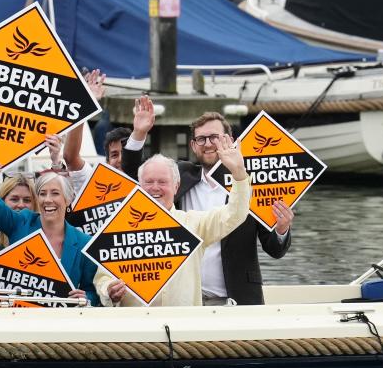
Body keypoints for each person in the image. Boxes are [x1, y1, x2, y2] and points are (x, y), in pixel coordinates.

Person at [121, 97, 293, 305]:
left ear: (230, 140)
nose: (208, 144)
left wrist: (281, 229)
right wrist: (139, 133)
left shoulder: (249, 183)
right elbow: (134, 176)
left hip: (236, 297)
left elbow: (275, 249)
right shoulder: (179, 177)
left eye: (214, 137)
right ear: (193, 145)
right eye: (201, 139)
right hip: (184, 298)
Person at [0, 120, 100, 305]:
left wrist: (86, 299)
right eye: (42, 194)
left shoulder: (84, 242)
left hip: (61, 326)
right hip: (18, 321)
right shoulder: (21, 222)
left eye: (55, 193)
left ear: (68, 200)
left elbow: (92, 291)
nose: (48, 200)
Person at [95, 135, 251, 307]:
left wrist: (238, 173)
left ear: (176, 187)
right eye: (148, 182)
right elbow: (103, 278)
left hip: (184, 327)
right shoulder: (118, 227)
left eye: (162, 182)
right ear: (139, 186)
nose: (155, 188)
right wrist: (109, 290)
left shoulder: (194, 224)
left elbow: (235, 214)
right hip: (136, 327)